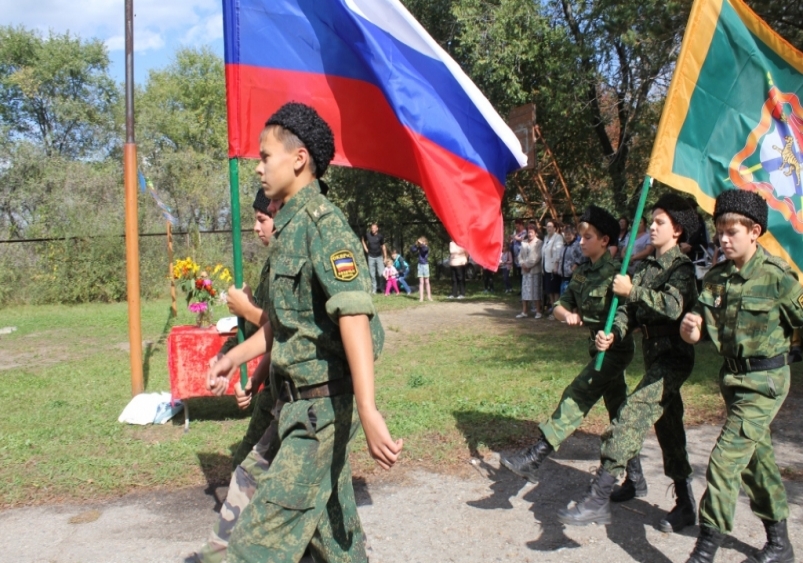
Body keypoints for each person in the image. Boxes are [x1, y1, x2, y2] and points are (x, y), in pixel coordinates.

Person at [205, 102, 402, 563]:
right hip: (294, 407)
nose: (257, 167)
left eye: (265, 156)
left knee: (253, 545)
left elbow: (354, 316)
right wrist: (233, 358)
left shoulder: (324, 226)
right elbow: (284, 327)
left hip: (321, 412)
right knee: (334, 538)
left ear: (298, 159)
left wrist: (368, 410)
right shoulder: (288, 229)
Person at [557, 194, 700, 532]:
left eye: (659, 222)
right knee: (669, 429)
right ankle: (685, 504)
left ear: (677, 230)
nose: (651, 226)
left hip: (674, 357)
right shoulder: (646, 268)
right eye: (650, 220)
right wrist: (614, 334)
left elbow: (672, 306)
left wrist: (632, 290)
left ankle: (596, 498)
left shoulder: (681, 269)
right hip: (653, 355)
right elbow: (628, 315)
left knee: (631, 415)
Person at [680, 190, 802, 563]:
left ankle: (705, 550)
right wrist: (691, 327)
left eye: (732, 232)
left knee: (724, 460)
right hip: (733, 382)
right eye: (720, 231)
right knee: (756, 460)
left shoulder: (780, 278)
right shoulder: (718, 277)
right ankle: (780, 543)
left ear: (755, 232)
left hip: (765, 384)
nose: (723, 239)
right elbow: (701, 320)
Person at [501, 206, 637, 485]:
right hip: (595, 345)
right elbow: (559, 307)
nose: (581, 242)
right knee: (619, 411)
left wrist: (613, 333)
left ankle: (536, 456)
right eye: (581, 237)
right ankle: (636, 476)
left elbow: (629, 314)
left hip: (614, 349)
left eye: (588, 237)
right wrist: (568, 315)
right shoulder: (582, 273)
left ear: (605, 241)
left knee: (578, 394)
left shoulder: (617, 274)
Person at [516, 225, 542, 318]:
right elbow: (520, 256)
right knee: (525, 291)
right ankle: (524, 311)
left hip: (534, 270)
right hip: (525, 271)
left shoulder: (539, 242)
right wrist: (523, 264)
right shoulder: (524, 242)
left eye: (531, 232)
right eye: (528, 232)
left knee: (535, 291)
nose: (530, 234)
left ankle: (538, 311)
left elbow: (538, 257)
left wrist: (528, 266)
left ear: (535, 233)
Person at [542, 219, 565, 316]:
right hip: (546, 268)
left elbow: (558, 253)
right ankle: (552, 310)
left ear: (555, 228)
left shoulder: (558, 237)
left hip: (554, 269)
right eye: (547, 226)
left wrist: (555, 265)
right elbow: (543, 253)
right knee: (549, 291)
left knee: (555, 291)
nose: (548, 228)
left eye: (550, 226)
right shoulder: (546, 238)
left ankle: (557, 311)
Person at [362, 222, 387, 293]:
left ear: (377, 229)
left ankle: (382, 288)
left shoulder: (380, 236)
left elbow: (383, 246)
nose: (372, 229)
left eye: (374, 228)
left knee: (381, 273)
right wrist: (366, 249)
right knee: (372, 274)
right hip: (371, 257)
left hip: (379, 256)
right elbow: (363, 239)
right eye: (371, 228)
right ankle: (374, 289)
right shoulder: (368, 235)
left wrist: (385, 257)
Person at [558, 224, 583, 295]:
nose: (567, 236)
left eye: (569, 234)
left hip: (572, 277)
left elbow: (581, 256)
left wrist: (575, 266)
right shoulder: (564, 245)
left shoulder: (577, 245)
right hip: (563, 277)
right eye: (566, 235)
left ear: (574, 235)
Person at [411, 236, 432, 302]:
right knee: (421, 282)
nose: (421, 244)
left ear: (425, 242)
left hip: (425, 265)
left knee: (427, 282)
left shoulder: (426, 247)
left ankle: (429, 296)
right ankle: (421, 297)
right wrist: (416, 244)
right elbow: (413, 250)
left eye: (422, 242)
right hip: (420, 265)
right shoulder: (419, 247)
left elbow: (425, 250)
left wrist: (422, 244)